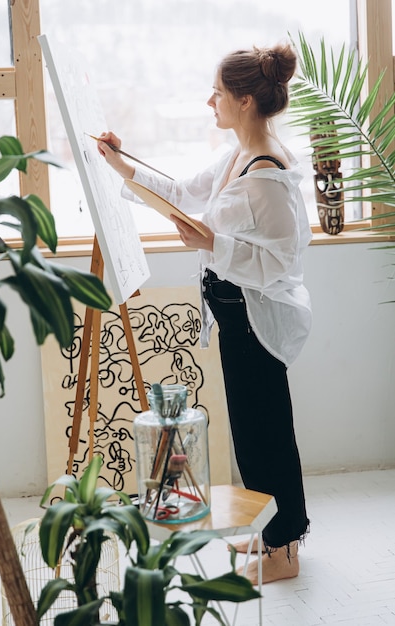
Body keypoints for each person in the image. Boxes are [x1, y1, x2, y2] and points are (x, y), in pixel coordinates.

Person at [98, 41, 312, 585]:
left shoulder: (268, 173)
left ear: (243, 100)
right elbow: (180, 192)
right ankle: (271, 541)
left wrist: (212, 244)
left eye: (216, 93)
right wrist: (121, 163)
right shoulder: (237, 157)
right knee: (250, 434)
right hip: (236, 321)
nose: (208, 101)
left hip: (254, 323)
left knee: (266, 433)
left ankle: (284, 546)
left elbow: (283, 261)